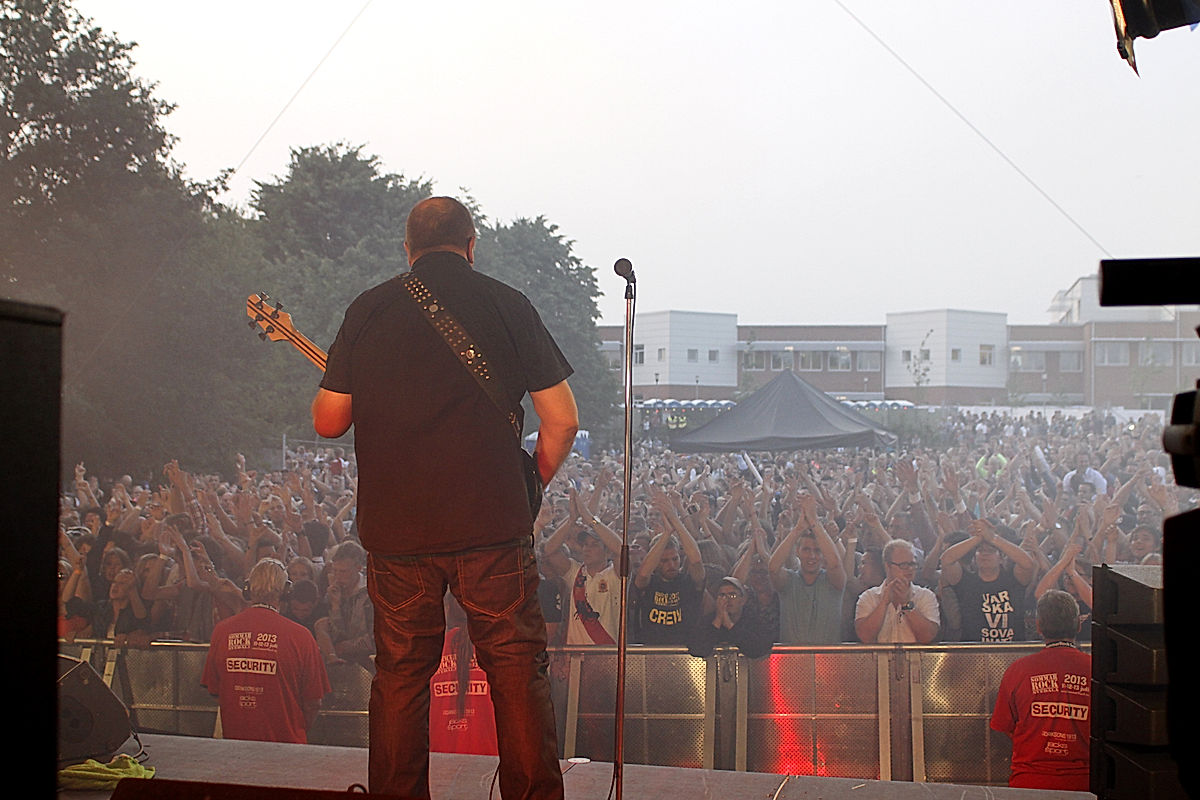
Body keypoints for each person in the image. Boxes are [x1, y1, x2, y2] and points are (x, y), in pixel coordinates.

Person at [311, 196, 578, 800]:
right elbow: (560, 420)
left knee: (401, 676)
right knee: (514, 671)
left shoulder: (370, 308)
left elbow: (328, 421)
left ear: (407, 250)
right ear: (471, 244)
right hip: (492, 525)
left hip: (398, 532)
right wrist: (530, 482)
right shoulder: (508, 303)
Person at [201, 558, 330, 743]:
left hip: (235, 746)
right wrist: (296, 727)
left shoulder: (222, 631)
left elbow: (215, 691)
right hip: (287, 745)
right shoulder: (301, 636)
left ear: (248, 588)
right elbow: (313, 702)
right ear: (286, 591)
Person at [990, 590, 1091, 791]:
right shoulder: (1096, 669)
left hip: (1028, 782)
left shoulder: (1018, 670)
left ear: (1038, 627)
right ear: (1079, 625)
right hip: (1084, 784)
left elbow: (1002, 726)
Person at [854, 539, 939, 644]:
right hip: (880, 660)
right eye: (903, 565)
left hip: (915, 660)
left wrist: (906, 604)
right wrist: (884, 603)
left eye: (912, 564)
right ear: (887, 565)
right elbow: (865, 636)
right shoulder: (868, 597)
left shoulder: (926, 596)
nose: (909, 569)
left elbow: (928, 637)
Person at [688, 576, 773, 659]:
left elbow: (756, 650)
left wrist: (729, 625)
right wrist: (717, 621)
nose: (727, 600)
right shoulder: (708, 620)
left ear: (743, 600)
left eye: (732, 595)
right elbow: (697, 650)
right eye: (722, 595)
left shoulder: (754, 620)